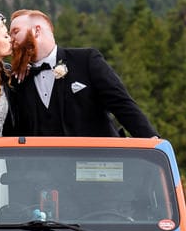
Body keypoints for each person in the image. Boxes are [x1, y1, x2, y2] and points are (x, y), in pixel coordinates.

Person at [8, 9, 157, 137]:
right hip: (44, 168)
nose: (11, 40)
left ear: (37, 31)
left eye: (15, 32)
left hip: (95, 163)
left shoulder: (86, 61)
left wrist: (153, 143)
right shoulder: (17, 79)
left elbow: (122, 105)